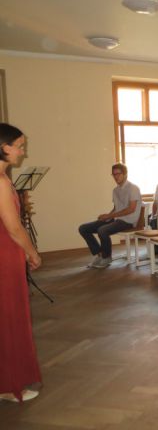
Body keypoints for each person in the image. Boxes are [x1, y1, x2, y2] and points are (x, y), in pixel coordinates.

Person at [0, 123, 42, 403]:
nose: (22, 152)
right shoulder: (1, 181)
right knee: (9, 318)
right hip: (5, 254)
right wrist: (32, 252)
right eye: (19, 146)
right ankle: (8, 386)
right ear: (4, 147)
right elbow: (14, 228)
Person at [78, 163, 142, 269]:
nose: (116, 177)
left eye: (118, 174)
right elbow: (116, 208)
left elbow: (131, 209)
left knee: (102, 230)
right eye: (114, 174)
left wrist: (110, 216)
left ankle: (106, 257)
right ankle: (100, 255)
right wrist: (108, 216)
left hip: (128, 221)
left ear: (125, 174)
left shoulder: (133, 188)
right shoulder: (115, 190)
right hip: (117, 219)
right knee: (83, 228)